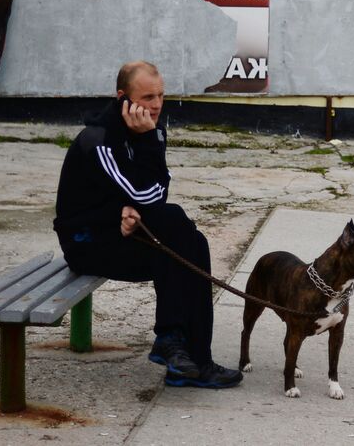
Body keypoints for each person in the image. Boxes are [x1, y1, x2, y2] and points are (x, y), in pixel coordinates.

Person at [53, 60, 242, 389]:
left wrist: (131, 208)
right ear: (122, 97)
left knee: (192, 244)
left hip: (123, 232)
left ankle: (192, 359)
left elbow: (156, 189)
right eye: (147, 97)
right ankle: (173, 343)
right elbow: (150, 195)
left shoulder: (149, 131)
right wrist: (133, 199)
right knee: (173, 222)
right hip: (86, 243)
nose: (156, 106)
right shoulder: (99, 140)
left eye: (161, 96)